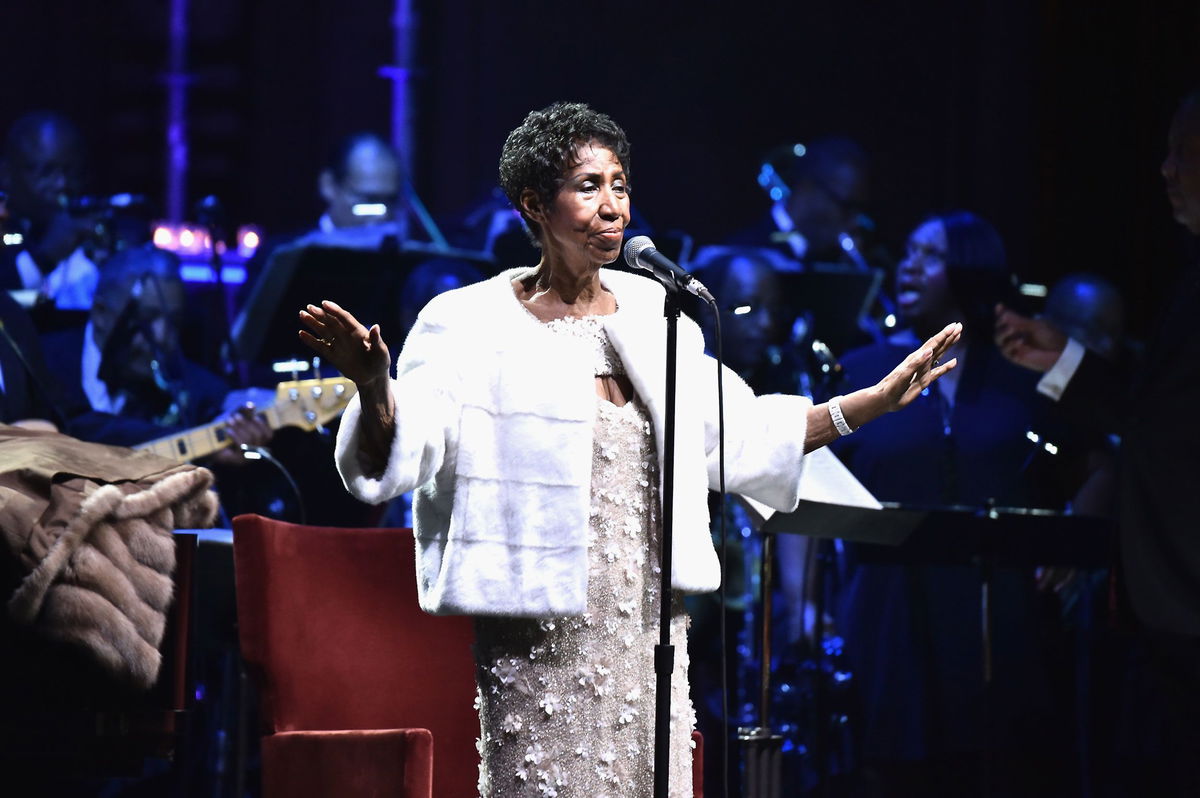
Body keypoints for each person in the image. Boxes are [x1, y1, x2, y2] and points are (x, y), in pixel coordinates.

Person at [299, 101, 962, 796]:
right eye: (589, 186)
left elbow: (740, 432)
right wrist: (376, 386)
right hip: (539, 646)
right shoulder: (467, 322)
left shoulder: (654, 315)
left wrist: (872, 404)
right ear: (534, 204)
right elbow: (409, 447)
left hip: (650, 637)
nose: (614, 206)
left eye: (619, 184)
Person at [995, 91, 1200, 794]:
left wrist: (1070, 365)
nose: (1166, 170)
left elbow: (1163, 427)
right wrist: (1063, 362)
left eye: (1183, 150)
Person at [831, 211, 1072, 796]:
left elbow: (1107, 456)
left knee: (994, 764)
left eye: (929, 255)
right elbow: (811, 484)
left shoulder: (1020, 375)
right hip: (888, 608)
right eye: (906, 251)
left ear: (968, 269)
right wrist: (803, 608)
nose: (908, 265)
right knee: (893, 769)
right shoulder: (862, 369)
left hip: (996, 603)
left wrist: (1066, 544)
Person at [0, 112, 103, 312]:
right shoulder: (4, 230)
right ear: (6, 174)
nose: (62, 184)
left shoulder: (89, 226)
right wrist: (44, 258)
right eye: (46, 172)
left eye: (71, 172)